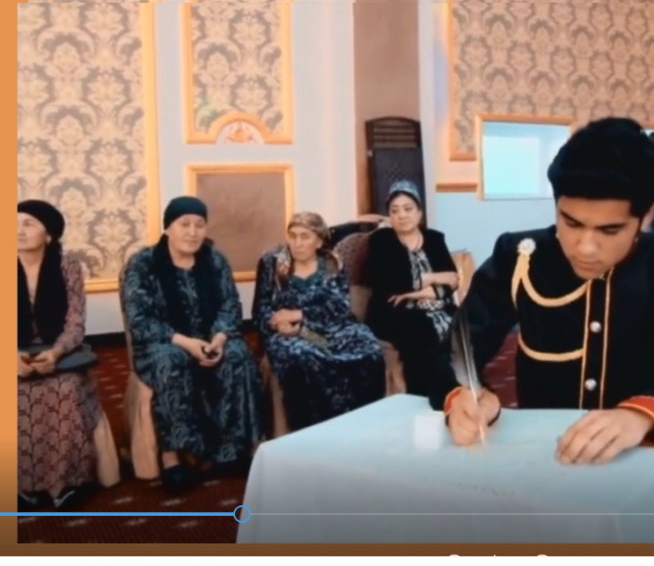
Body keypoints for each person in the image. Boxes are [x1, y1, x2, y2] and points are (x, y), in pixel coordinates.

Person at [430, 117, 654, 465]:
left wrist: (642, 415)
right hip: (544, 457)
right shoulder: (520, 257)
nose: (585, 247)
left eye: (609, 230)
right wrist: (461, 395)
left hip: (644, 458)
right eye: (570, 223)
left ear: (647, 215)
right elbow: (453, 352)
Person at [121, 196, 265, 493]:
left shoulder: (215, 259)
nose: (192, 232)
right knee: (171, 362)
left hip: (211, 337)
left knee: (238, 355)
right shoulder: (143, 264)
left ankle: (232, 450)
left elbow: (230, 306)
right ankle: (174, 457)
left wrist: (219, 339)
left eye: (199, 225)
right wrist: (186, 343)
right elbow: (140, 319)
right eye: (184, 224)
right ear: (168, 228)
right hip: (163, 341)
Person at [253, 212, 386, 432]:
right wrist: (276, 324)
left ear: (319, 241)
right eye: (293, 235)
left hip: (329, 327)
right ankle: (312, 429)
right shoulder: (272, 263)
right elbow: (261, 309)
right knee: (302, 355)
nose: (297, 243)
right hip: (290, 333)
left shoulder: (332, 263)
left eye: (305, 236)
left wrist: (300, 314)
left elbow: (339, 307)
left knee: (369, 348)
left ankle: (361, 425)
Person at [18, 201, 106, 511]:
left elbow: (75, 323)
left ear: (49, 234)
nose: (18, 231)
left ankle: (68, 482)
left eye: (28, 223)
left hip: (59, 349)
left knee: (64, 388)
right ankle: (23, 485)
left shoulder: (68, 267)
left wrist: (55, 352)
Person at [365, 181, 460, 397]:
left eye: (408, 209)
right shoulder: (381, 240)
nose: (402, 215)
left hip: (439, 306)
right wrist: (435, 278)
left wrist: (415, 292)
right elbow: (389, 282)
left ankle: (460, 390)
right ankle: (423, 396)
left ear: (419, 212)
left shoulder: (435, 239)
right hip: (394, 311)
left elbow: (453, 280)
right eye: (394, 210)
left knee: (462, 325)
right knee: (422, 332)